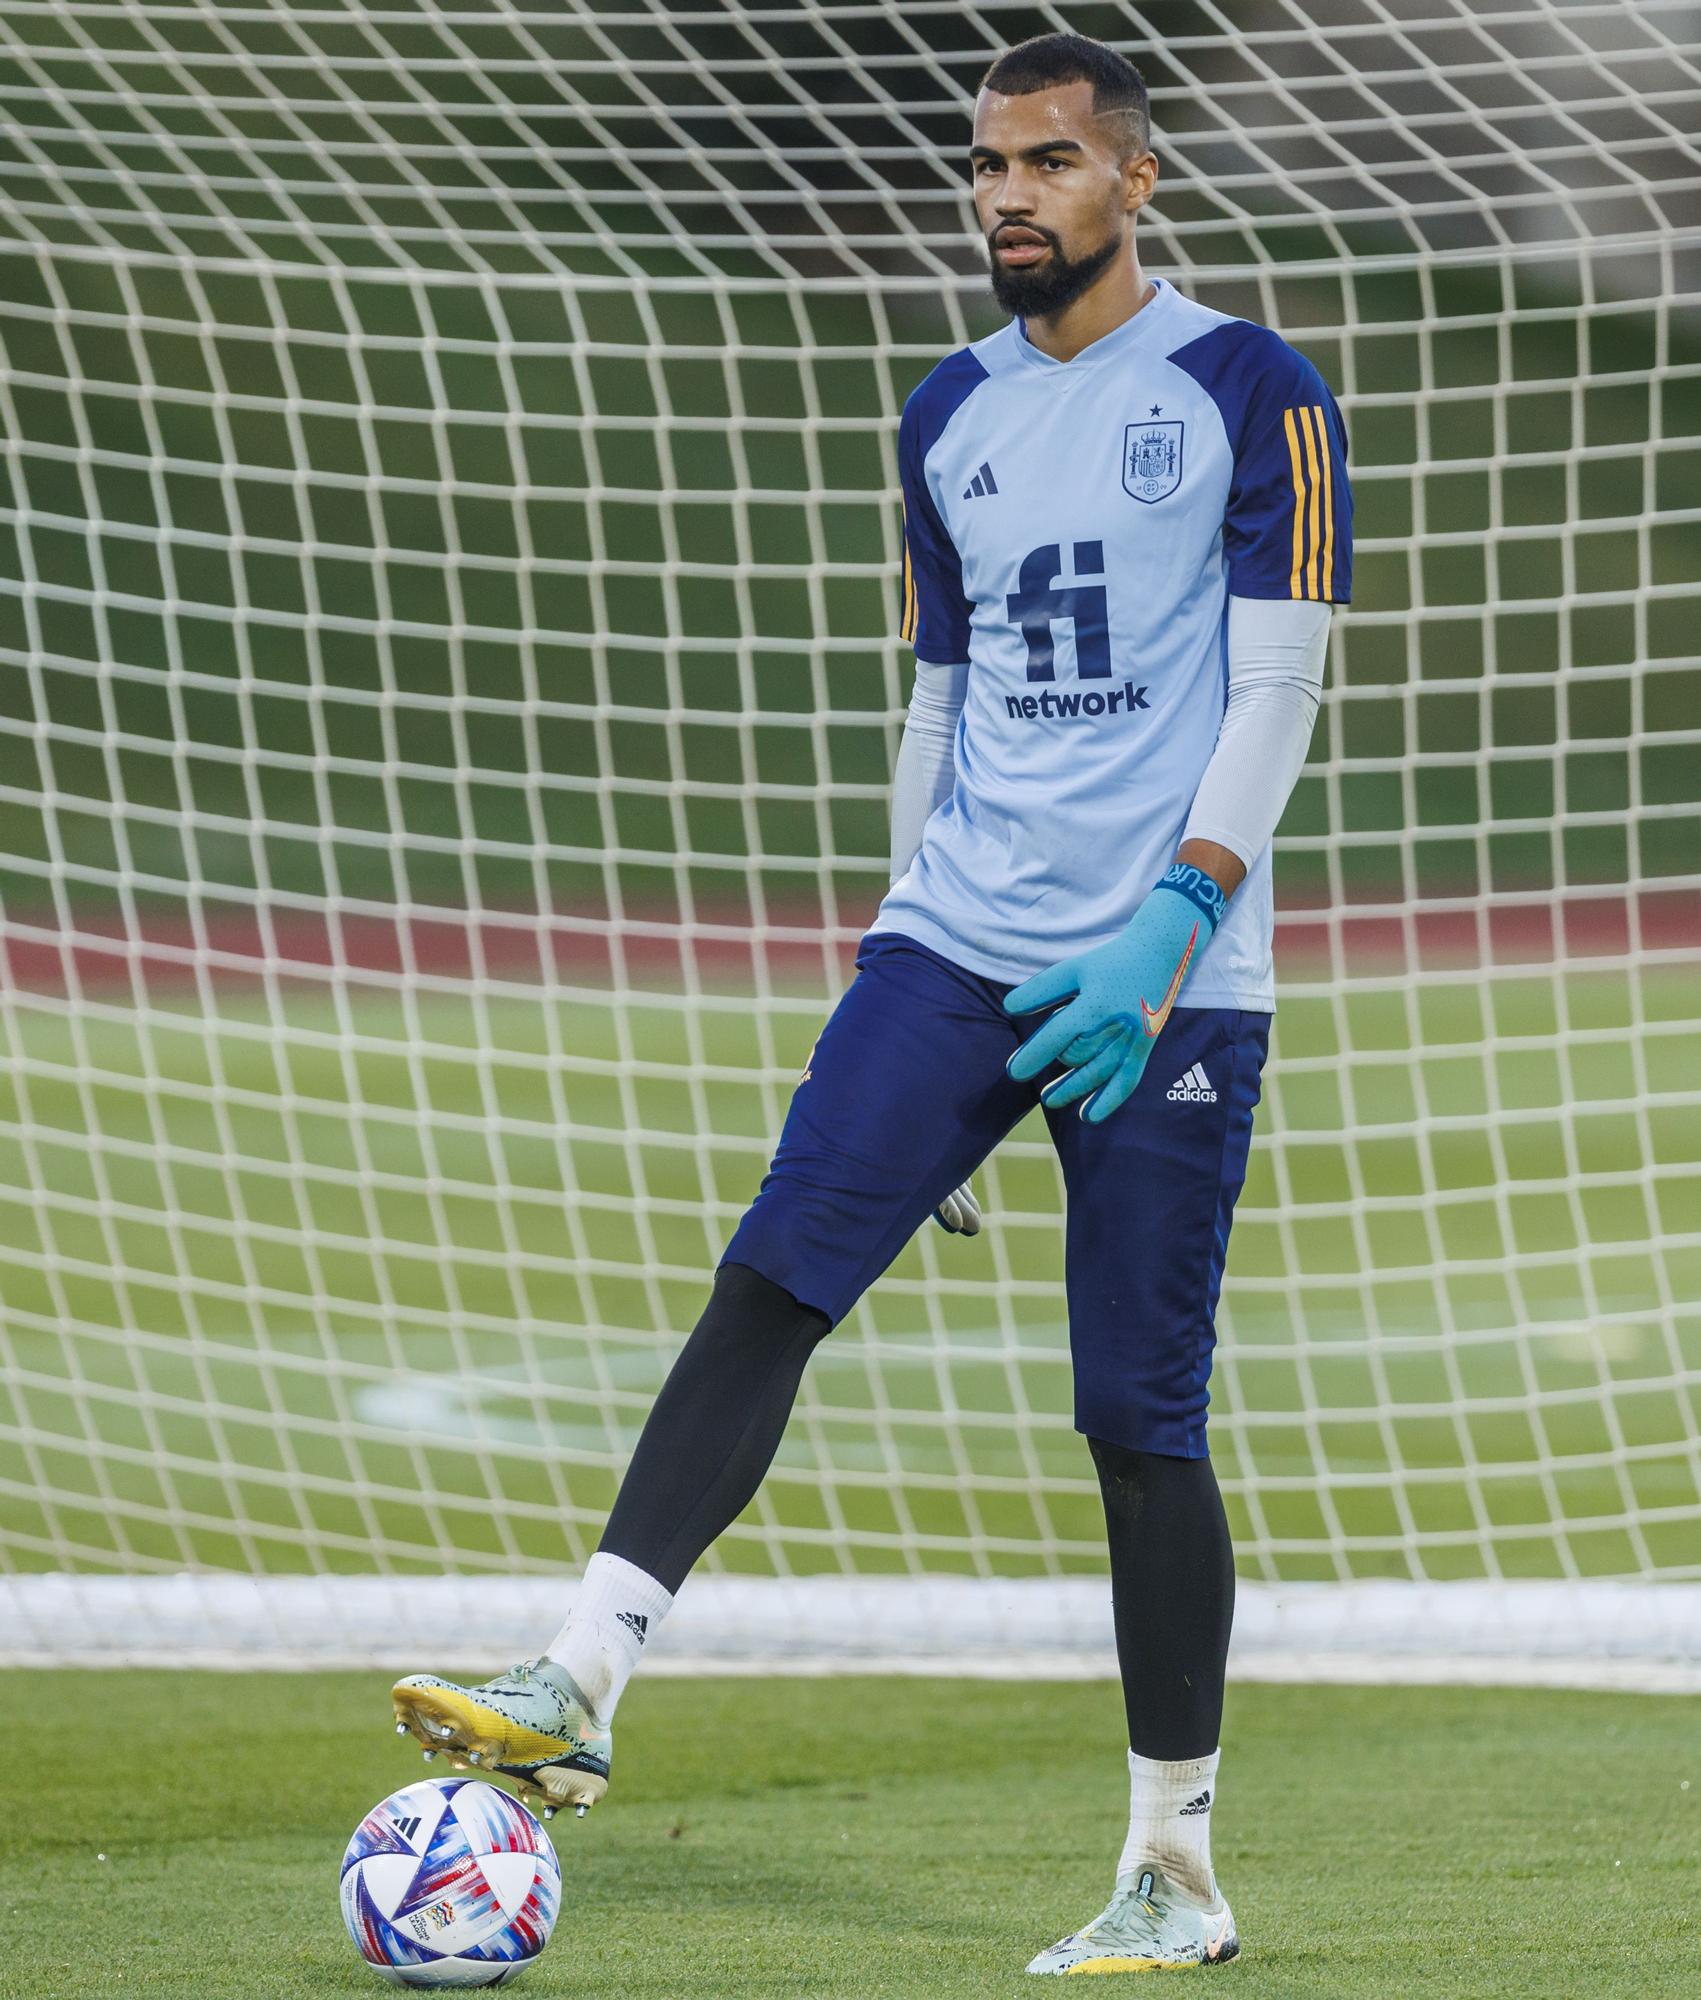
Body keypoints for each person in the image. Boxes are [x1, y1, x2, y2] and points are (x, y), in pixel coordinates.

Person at [391, 29, 1351, 1976]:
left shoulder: (1253, 389)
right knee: (773, 1272)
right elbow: (939, 695)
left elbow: (1273, 686)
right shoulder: (944, 414)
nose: (1007, 194)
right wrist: (902, 934)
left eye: (1047, 162)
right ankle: (578, 1669)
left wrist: (1173, 919)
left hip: (1168, 971)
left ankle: (1170, 1869)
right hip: (956, 944)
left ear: (1131, 180)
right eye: (985, 163)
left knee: (1132, 1416)